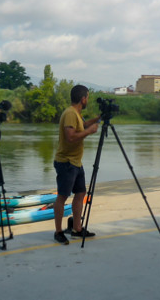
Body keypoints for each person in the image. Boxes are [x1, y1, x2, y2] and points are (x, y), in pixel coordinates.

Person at [52, 85, 100, 245]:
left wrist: (99, 118)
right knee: (62, 196)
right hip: (66, 162)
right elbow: (71, 137)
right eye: (87, 97)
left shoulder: (76, 114)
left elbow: (84, 125)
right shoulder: (70, 114)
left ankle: (77, 229)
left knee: (80, 193)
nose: (88, 100)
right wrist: (90, 132)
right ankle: (58, 231)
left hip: (75, 162)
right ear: (83, 99)